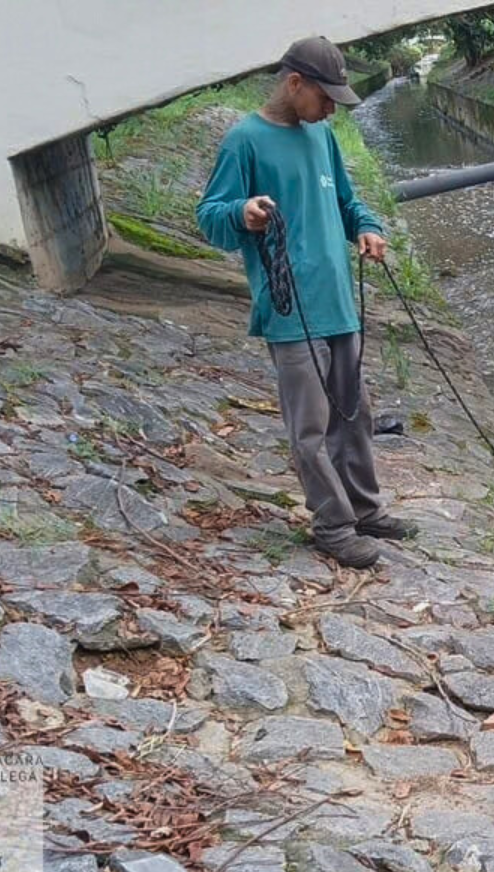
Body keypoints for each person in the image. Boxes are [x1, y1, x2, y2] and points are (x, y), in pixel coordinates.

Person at [196, 35, 416, 570]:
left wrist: (366, 227)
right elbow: (210, 215)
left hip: (339, 303)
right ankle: (333, 527)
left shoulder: (323, 138)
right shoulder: (244, 142)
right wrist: (241, 212)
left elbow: (347, 201)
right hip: (291, 311)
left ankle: (363, 509)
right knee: (311, 428)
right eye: (325, 98)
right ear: (295, 84)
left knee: (355, 414)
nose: (330, 110)